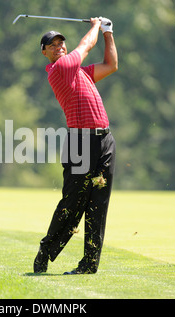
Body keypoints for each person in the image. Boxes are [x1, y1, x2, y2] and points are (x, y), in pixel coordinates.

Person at [34, 17, 118, 275]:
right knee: (72, 203)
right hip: (79, 143)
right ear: (44, 52)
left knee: (98, 203)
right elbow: (85, 46)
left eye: (61, 42)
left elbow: (111, 65)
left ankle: (89, 264)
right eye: (53, 44)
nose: (59, 46)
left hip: (104, 140)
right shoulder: (60, 68)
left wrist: (108, 32)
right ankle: (46, 251)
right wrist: (95, 25)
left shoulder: (80, 72)